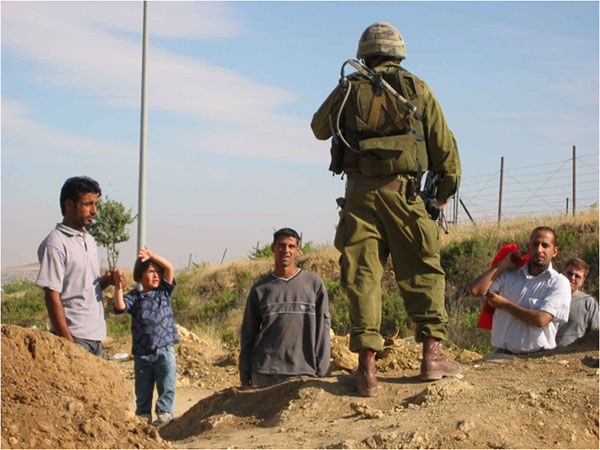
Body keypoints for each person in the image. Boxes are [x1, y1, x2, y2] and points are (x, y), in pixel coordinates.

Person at [311, 22, 462, 395]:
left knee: (362, 276)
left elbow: (318, 128)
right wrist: (440, 197)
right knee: (423, 269)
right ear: (399, 53)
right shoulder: (419, 90)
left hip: (360, 194)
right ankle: (432, 356)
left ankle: (367, 369)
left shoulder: (349, 88)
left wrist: (345, 93)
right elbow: (447, 155)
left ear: (364, 53)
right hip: (405, 194)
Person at [36, 176, 122, 357]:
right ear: (69, 205)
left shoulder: (89, 240)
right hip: (75, 337)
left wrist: (107, 280)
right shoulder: (56, 243)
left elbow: (84, 287)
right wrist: (68, 342)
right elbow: (52, 295)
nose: (94, 211)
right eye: (88, 204)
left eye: (95, 204)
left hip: (96, 337)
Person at [239, 228, 331, 388]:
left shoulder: (313, 284)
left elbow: (323, 329)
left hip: (303, 371)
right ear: (273, 248)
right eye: (281, 245)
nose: (286, 250)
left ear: (298, 250)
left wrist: (322, 369)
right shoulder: (260, 289)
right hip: (264, 372)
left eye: (291, 246)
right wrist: (244, 372)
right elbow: (248, 333)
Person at [469, 227, 571, 354]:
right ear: (529, 247)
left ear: (555, 251)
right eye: (535, 244)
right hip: (501, 355)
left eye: (545, 245)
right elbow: (476, 290)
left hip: (538, 358)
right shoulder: (509, 275)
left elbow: (541, 319)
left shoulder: (559, 283)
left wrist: (505, 305)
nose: (539, 250)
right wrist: (503, 264)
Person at [113, 246, 179, 426]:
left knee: (167, 386)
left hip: (164, 350)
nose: (156, 275)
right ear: (140, 276)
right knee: (143, 390)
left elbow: (169, 268)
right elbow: (119, 306)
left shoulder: (164, 292)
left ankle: (164, 416)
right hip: (142, 354)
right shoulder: (134, 297)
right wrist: (118, 286)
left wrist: (152, 256)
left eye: (158, 272)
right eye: (151, 271)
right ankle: (143, 418)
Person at [556, 258, 599, 347]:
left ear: (582, 281)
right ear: (563, 273)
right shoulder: (548, 296)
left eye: (577, 276)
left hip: (571, 356)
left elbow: (595, 334)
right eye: (570, 273)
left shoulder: (588, 303)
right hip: (543, 356)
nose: (572, 278)